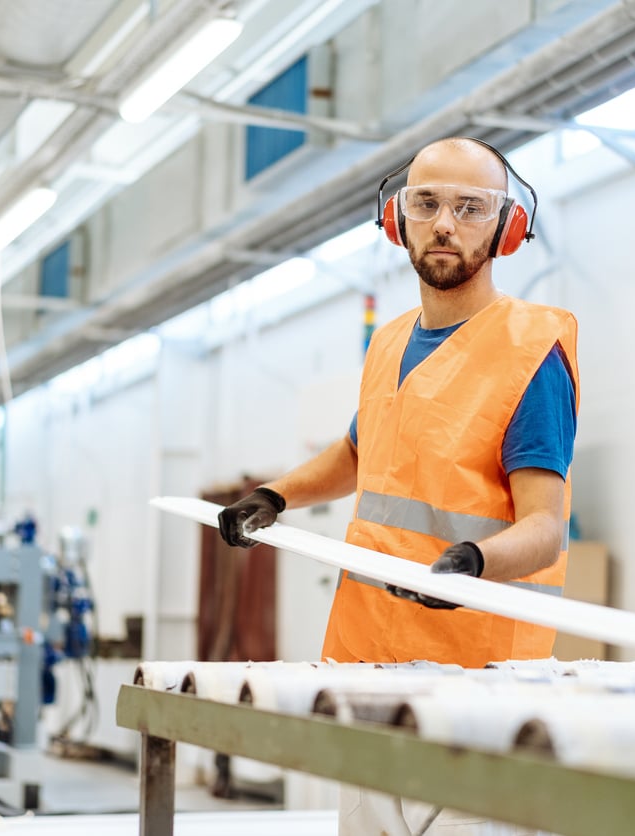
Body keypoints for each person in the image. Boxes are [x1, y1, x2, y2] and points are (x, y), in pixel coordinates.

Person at [218, 136, 579, 832]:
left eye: (472, 207)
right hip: (369, 668)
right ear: (397, 221)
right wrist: (275, 497)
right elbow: (358, 452)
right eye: (427, 203)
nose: (446, 223)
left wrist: (470, 564)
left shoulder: (530, 353)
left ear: (506, 229)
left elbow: (544, 529)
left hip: (472, 683)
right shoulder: (388, 344)